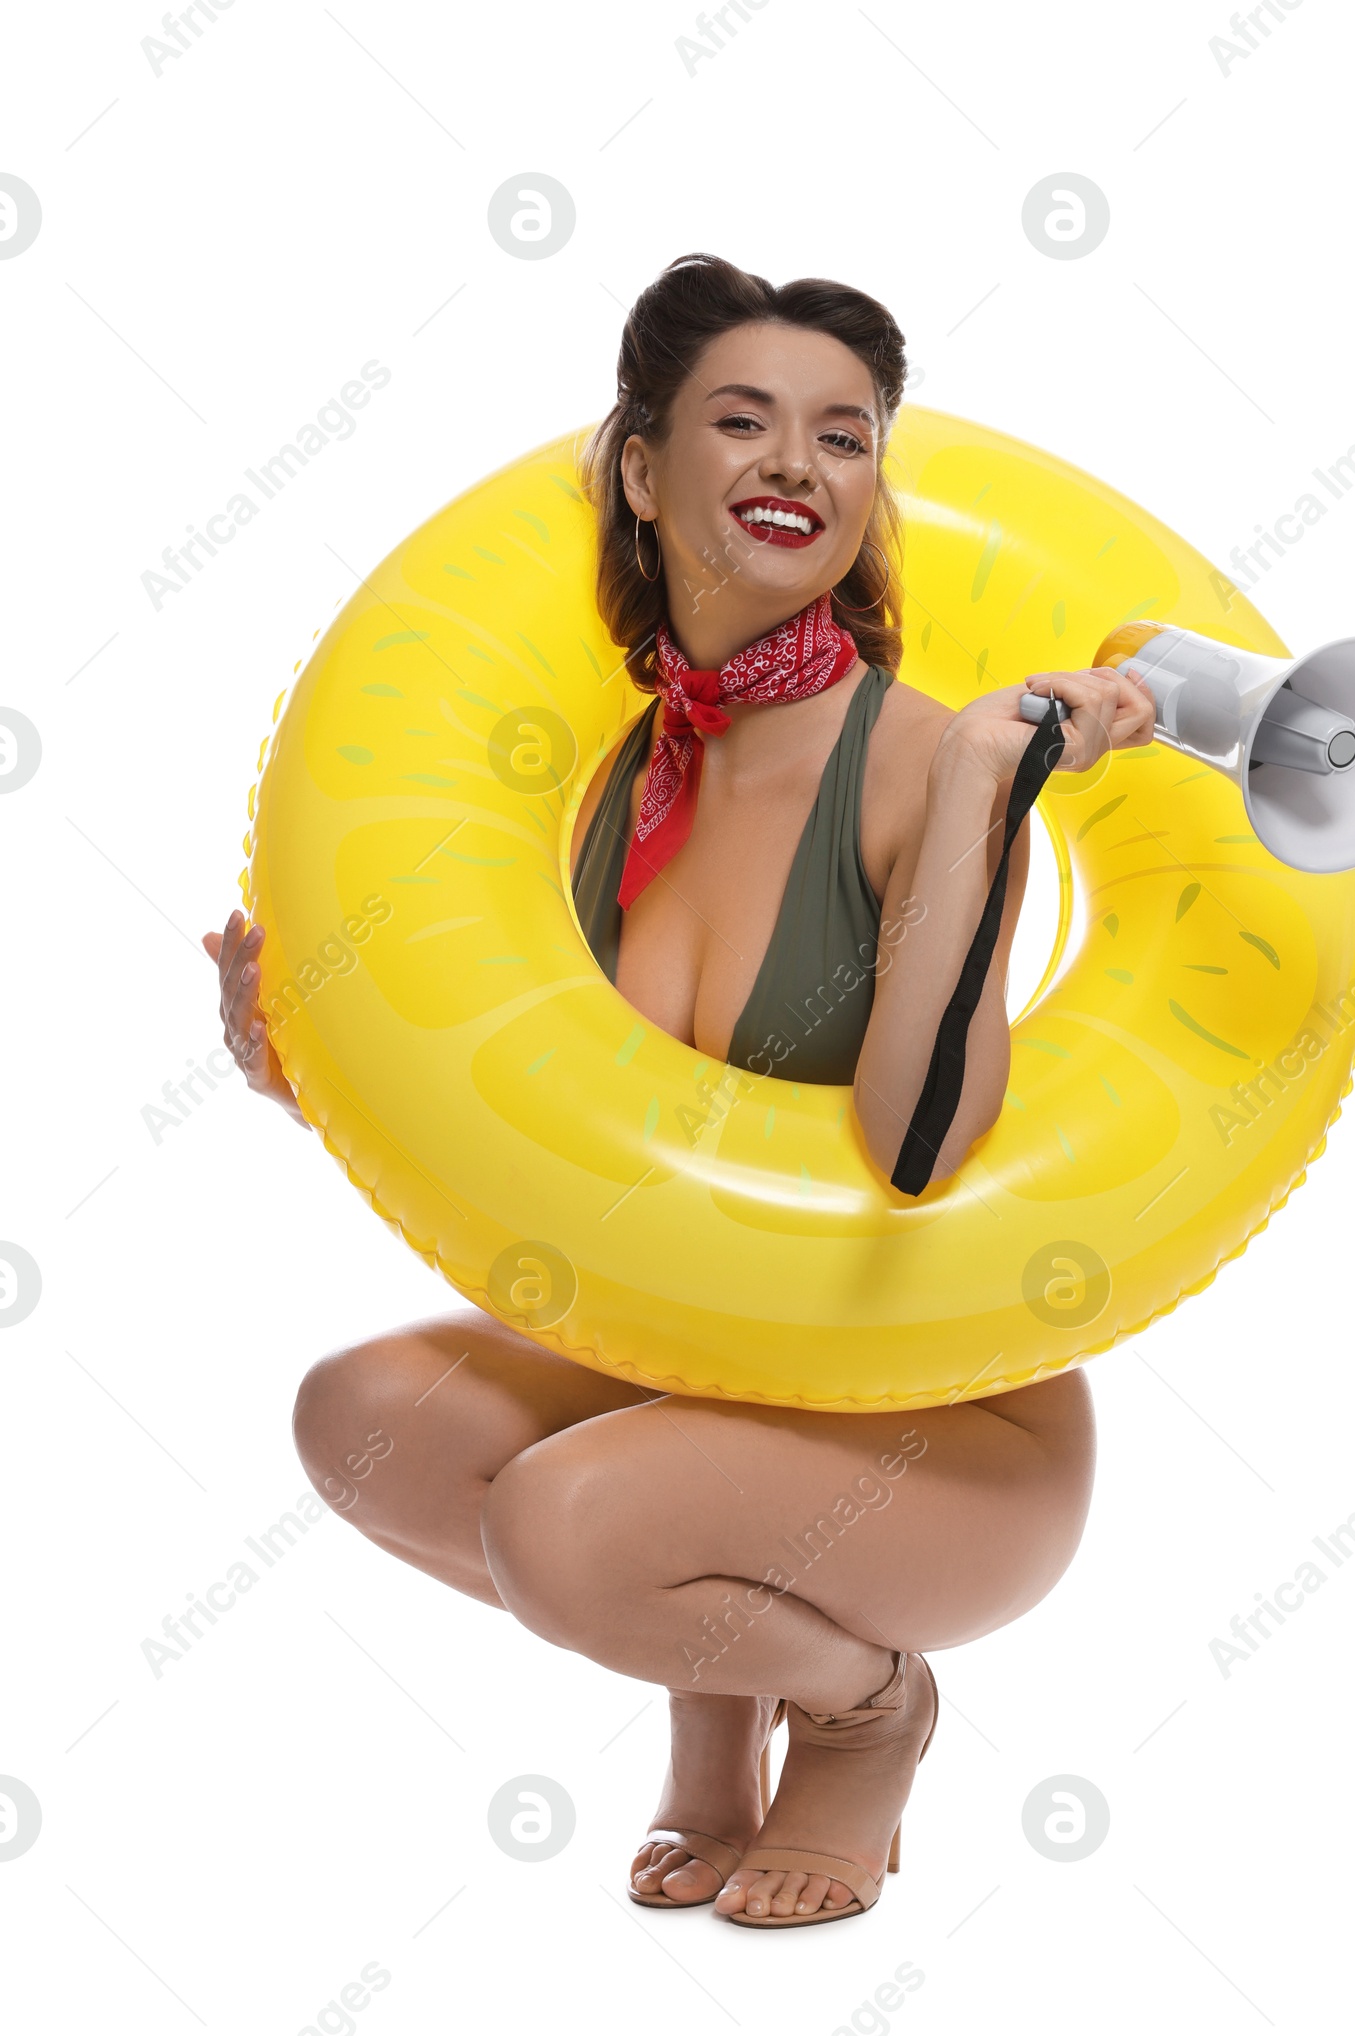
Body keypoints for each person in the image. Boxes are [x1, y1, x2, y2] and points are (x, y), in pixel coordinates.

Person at [205, 253, 1155, 1929]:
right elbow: (564, 1139)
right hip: (698, 1376)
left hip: (940, 1431)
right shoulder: (611, 780)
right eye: (746, 420)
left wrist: (993, 802)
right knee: (356, 1425)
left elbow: (915, 1144)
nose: (800, 463)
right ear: (643, 470)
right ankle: (720, 1710)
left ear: (872, 488)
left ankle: (866, 1712)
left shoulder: (929, 756)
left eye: (845, 435)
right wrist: (322, 1073)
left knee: (564, 1531)